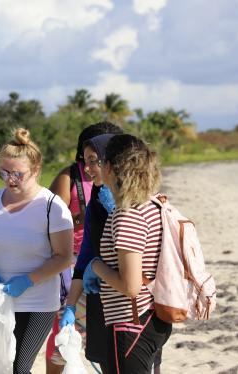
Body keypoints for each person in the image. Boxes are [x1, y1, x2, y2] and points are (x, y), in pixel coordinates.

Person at [0, 128, 74, 374]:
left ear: (36, 170)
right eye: (4, 173)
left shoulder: (51, 205)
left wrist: (28, 280)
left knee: (20, 367)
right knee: (2, 365)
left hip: (38, 301)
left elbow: (64, 257)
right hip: (0, 299)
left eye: (18, 174)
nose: (10, 180)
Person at [73, 134, 171, 373]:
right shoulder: (153, 204)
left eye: (98, 161)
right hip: (153, 316)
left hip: (131, 322)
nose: (90, 168)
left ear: (109, 167)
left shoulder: (127, 215)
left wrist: (96, 266)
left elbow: (130, 286)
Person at [46, 122, 124, 374]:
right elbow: (50, 224)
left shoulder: (129, 189)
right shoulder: (70, 178)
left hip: (116, 270)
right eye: (87, 159)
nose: (90, 168)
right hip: (75, 263)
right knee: (69, 334)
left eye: (96, 160)